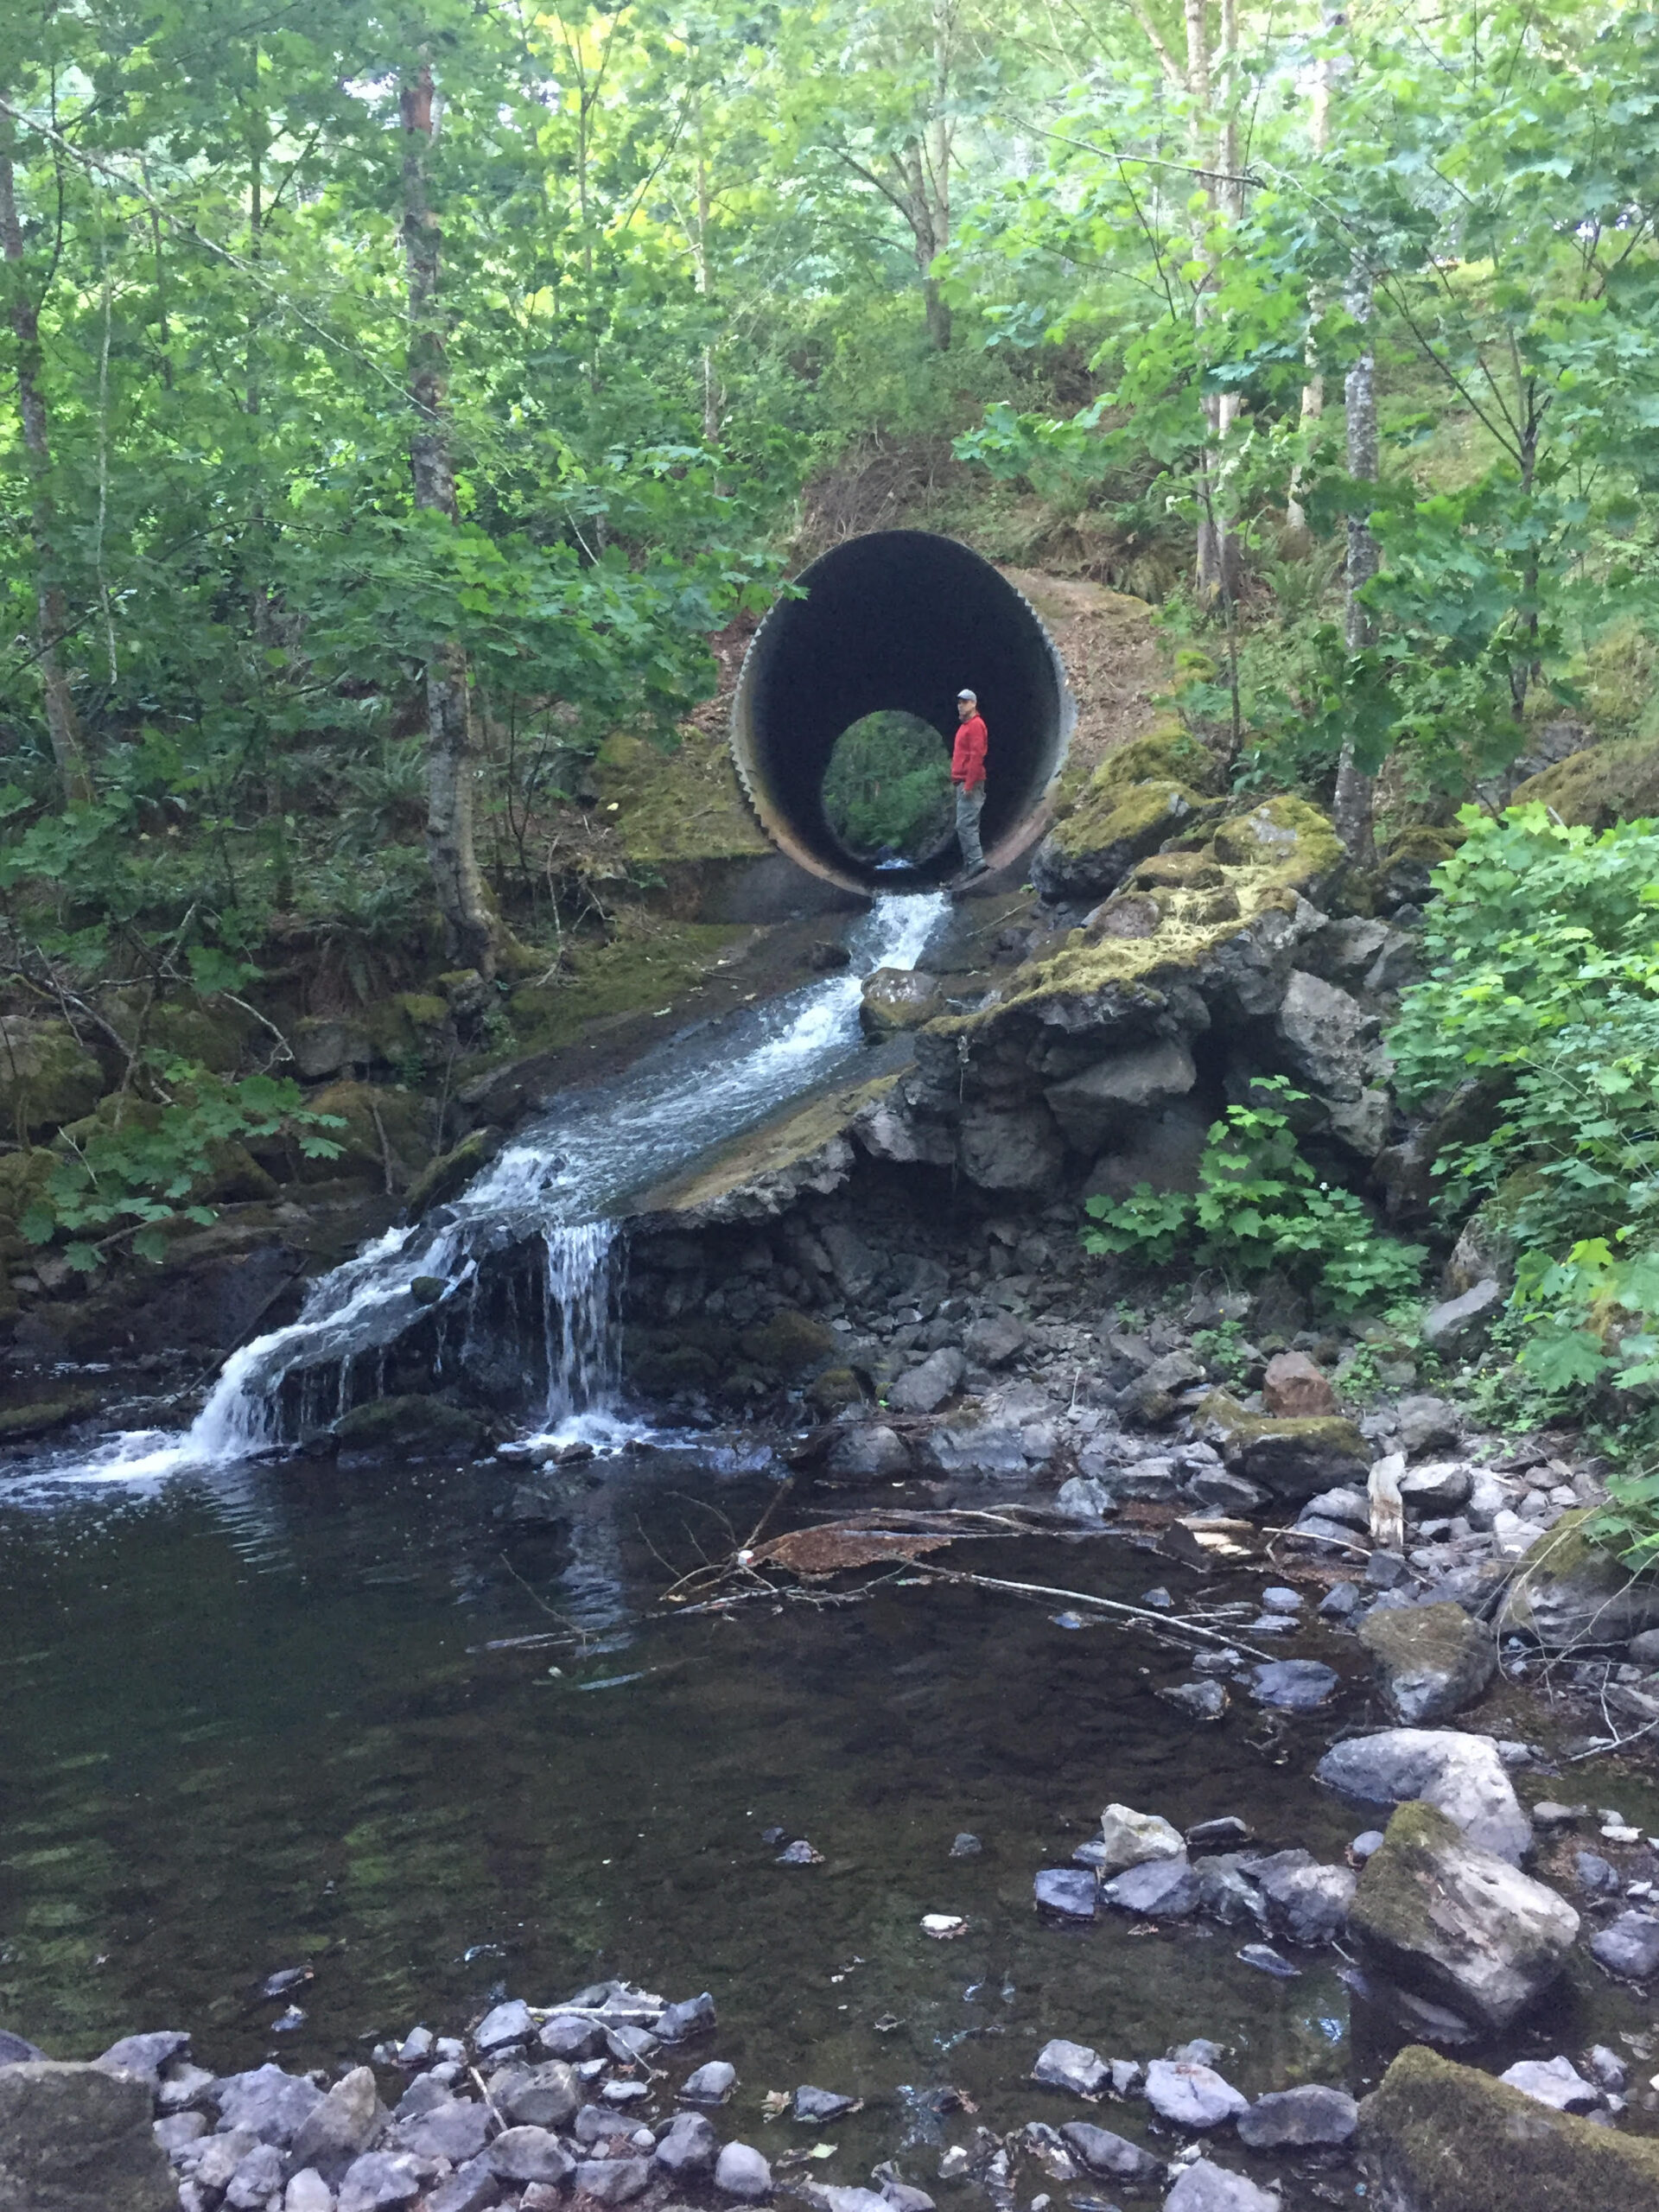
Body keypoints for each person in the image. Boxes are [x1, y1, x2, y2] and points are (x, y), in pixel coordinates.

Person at [950, 687, 988, 880]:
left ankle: (976, 862)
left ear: (973, 703)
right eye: (959, 702)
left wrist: (969, 784)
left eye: (964, 702)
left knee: (965, 824)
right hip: (962, 781)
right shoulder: (964, 727)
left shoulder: (975, 725)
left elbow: (976, 756)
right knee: (966, 823)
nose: (961, 705)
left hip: (970, 783)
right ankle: (970, 864)